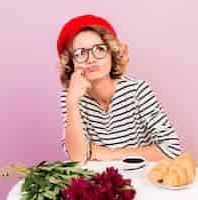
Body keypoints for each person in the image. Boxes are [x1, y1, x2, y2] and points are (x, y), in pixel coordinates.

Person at [57, 14, 181, 163]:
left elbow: (171, 150)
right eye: (80, 53)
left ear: (112, 54)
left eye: (100, 49)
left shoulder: (137, 90)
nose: (91, 59)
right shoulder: (70, 97)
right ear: (71, 63)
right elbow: (77, 159)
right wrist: (72, 104)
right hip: (98, 183)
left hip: (140, 179)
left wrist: (106, 154)